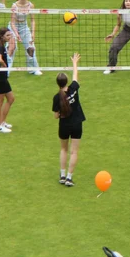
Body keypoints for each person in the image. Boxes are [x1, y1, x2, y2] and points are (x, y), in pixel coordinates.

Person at [50, 54, 84, 187]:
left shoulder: (56, 98)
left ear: (58, 83)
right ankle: (69, 178)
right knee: (74, 151)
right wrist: (75, 63)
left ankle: (62, 175)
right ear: (66, 81)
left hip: (64, 126)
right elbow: (76, 76)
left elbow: (56, 116)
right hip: (77, 124)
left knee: (64, 150)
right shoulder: (73, 89)